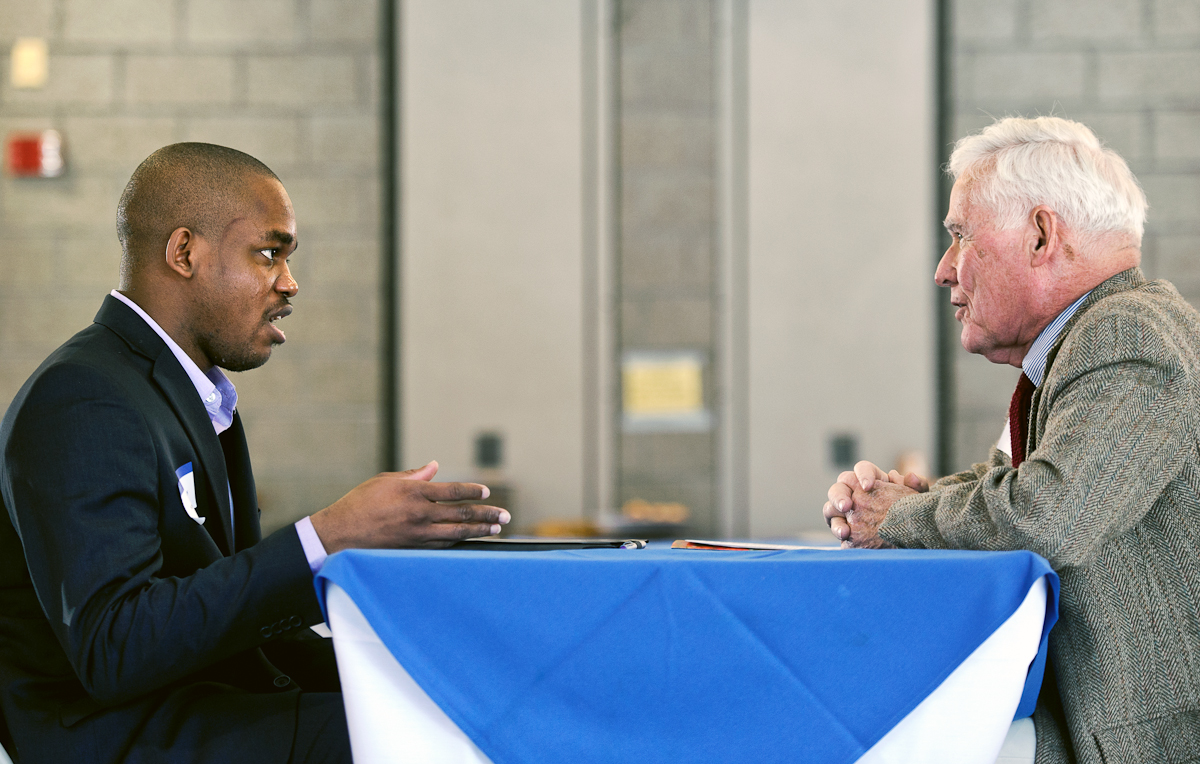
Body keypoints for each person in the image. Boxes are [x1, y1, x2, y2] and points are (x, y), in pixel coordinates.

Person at [0, 143, 510, 764]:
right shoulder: (84, 397)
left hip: (198, 704)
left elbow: (226, 612)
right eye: (269, 253)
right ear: (184, 252)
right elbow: (117, 646)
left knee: (461, 708)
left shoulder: (182, 391)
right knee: (436, 743)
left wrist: (403, 669)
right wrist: (327, 536)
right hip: (122, 737)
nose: (289, 283)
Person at [822, 116, 1200, 762]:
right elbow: (1012, 483)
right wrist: (909, 497)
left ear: (1041, 235)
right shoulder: (1086, 342)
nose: (944, 271)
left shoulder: (1127, 335)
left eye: (961, 237)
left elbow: (1051, 513)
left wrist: (901, 515)